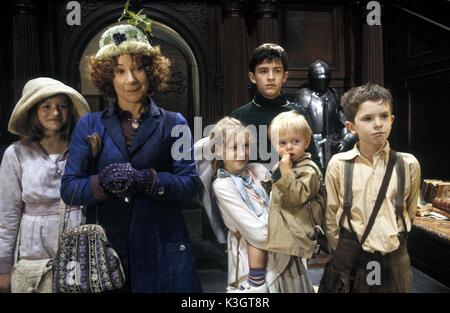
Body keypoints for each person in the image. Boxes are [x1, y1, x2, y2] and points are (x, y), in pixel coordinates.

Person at [60, 22, 202, 292]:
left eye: (137, 68)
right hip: (106, 253)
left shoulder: (175, 123)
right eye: (120, 71)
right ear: (107, 77)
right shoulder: (90, 124)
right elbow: (69, 188)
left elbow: (191, 186)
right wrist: (101, 183)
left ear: (150, 72)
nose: (131, 79)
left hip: (161, 245)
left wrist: (148, 180)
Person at [319, 83, 421, 293]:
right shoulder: (339, 165)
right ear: (351, 127)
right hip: (351, 253)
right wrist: (344, 248)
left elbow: (409, 210)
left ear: (392, 120)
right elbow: (330, 214)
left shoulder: (408, 164)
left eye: (384, 116)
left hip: (394, 254)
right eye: (367, 118)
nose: (378, 124)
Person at [0, 77, 90, 293]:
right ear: (34, 112)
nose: (55, 113)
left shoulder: (82, 149)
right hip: (34, 244)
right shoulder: (16, 154)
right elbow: (8, 214)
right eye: (46, 107)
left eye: (61, 106)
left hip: (76, 237)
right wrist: (3, 267)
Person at [210, 117, 313, 293]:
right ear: (219, 152)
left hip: (285, 252)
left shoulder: (258, 170)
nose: (242, 154)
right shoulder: (222, 185)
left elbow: (285, 197)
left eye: (246, 146)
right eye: (234, 148)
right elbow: (259, 234)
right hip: (254, 260)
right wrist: (290, 224)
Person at [230, 43, 320, 169]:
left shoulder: (298, 114)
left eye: (277, 71)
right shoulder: (238, 117)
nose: (271, 77)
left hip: (293, 185)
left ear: (284, 76)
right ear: (252, 77)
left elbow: (313, 162)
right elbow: (230, 166)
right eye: (263, 71)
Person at [266, 110, 325, 272]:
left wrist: (285, 173)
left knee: (296, 279)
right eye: (282, 143)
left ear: (306, 142)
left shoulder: (309, 170)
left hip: (298, 235)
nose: (289, 147)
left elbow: (296, 197)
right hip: (282, 233)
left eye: (295, 141)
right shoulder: (280, 166)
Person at [296, 59, 357, 172]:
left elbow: (341, 119)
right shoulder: (303, 95)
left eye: (325, 78)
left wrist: (345, 140)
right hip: (311, 142)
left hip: (332, 141)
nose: (323, 81)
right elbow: (298, 123)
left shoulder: (332, 94)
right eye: (319, 79)